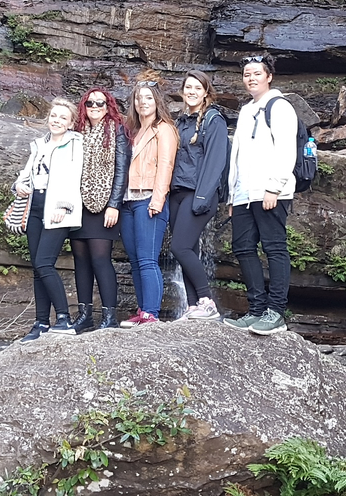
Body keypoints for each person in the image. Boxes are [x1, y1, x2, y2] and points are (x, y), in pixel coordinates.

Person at [223, 55, 297, 335]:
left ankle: (276, 312)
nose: (251, 78)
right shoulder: (245, 110)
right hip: (244, 193)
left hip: (270, 191)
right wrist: (232, 195)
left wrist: (274, 188)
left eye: (256, 73)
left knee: (274, 248)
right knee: (243, 248)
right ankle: (256, 310)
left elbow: (286, 150)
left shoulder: (280, 107)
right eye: (246, 74)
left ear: (269, 76)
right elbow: (238, 155)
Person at [12, 98, 85, 342]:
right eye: (54, 116)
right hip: (35, 207)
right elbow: (26, 174)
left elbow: (75, 178)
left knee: (44, 263)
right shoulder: (39, 144)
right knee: (36, 268)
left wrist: (64, 206)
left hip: (59, 210)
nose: (57, 121)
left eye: (63, 117)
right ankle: (41, 322)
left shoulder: (75, 144)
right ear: (48, 118)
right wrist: (19, 185)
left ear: (71, 122)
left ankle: (63, 318)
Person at [169, 70, 229, 320]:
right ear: (182, 91)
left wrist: (203, 197)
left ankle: (206, 301)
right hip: (177, 193)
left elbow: (216, 161)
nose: (191, 92)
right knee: (189, 250)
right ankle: (193, 306)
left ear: (206, 92)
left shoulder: (213, 120)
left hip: (199, 193)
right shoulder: (180, 121)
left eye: (197, 88)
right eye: (188, 88)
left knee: (179, 247)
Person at [119, 73, 178, 328]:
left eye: (148, 98)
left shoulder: (163, 129)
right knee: (134, 260)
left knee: (147, 259)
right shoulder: (133, 130)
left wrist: (158, 199)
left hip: (149, 200)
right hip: (128, 201)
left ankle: (151, 313)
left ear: (157, 101)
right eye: (138, 98)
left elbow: (166, 165)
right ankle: (142, 309)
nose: (143, 102)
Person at [70, 87, 130, 332]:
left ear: (109, 106)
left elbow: (121, 169)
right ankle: (85, 315)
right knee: (80, 260)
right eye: (90, 103)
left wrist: (114, 205)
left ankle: (109, 316)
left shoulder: (117, 130)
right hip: (78, 204)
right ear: (84, 106)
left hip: (105, 204)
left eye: (101, 103)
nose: (95, 108)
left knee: (100, 259)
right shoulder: (77, 132)